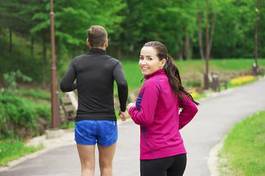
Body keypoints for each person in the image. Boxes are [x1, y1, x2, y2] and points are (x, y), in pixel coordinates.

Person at [60, 25, 128, 176]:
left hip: (84, 120)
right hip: (107, 120)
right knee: (106, 167)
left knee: (87, 167)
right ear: (106, 42)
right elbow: (122, 83)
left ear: (88, 42)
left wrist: (80, 82)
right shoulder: (113, 63)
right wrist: (123, 108)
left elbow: (64, 85)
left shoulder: (77, 62)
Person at [127, 41, 198, 176]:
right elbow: (191, 108)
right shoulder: (170, 81)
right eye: (141, 58)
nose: (143, 62)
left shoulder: (151, 84)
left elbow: (145, 118)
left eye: (149, 58)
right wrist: (173, 126)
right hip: (178, 154)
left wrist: (131, 109)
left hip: (155, 155)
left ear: (162, 62)